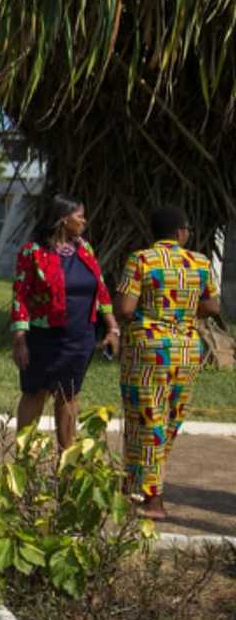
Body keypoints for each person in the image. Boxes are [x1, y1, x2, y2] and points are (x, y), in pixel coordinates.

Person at [114, 205, 220, 520]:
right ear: (179, 232)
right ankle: (132, 485)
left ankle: (153, 498)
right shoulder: (199, 262)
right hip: (186, 351)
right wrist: (184, 314)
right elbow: (212, 306)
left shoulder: (141, 260)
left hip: (148, 350)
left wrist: (151, 315)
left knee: (146, 419)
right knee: (168, 421)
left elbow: (125, 306)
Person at [11, 195, 119, 448]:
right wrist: (20, 339)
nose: (84, 220)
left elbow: (100, 289)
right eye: (79, 215)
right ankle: (23, 458)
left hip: (80, 337)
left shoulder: (85, 249)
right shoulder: (33, 251)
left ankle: (66, 462)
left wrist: (112, 326)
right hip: (44, 338)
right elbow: (20, 296)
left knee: (69, 395)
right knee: (35, 393)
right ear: (63, 219)